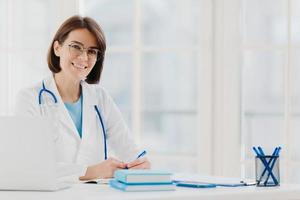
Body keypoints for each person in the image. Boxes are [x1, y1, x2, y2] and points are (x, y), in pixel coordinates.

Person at [14, 15, 150, 180]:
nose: (84, 58)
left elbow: (129, 150)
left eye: (92, 51)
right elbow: (30, 166)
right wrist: (90, 172)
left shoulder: (100, 98)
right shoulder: (30, 99)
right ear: (57, 48)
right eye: (76, 47)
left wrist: (140, 164)